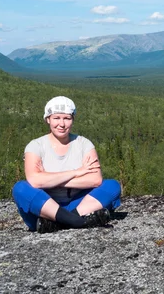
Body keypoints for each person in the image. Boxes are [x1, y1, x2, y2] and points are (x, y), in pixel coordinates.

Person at [12, 96, 122, 233]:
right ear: (48, 119)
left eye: (67, 118)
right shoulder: (35, 146)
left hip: (79, 203)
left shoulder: (83, 144)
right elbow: (34, 181)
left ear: (73, 120)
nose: (62, 124)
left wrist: (49, 179)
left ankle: (59, 223)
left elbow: (95, 179)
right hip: (44, 206)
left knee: (112, 186)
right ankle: (79, 222)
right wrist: (76, 172)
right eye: (56, 118)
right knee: (20, 189)